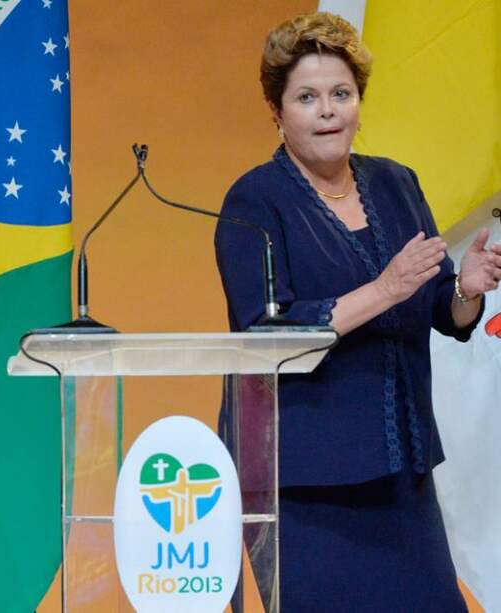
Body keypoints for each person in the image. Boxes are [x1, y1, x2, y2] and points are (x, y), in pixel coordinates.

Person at [214, 12, 501, 612]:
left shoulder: (398, 184)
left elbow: (439, 308)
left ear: (359, 103)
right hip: (306, 482)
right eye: (308, 97)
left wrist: (466, 290)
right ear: (277, 110)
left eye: (341, 94)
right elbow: (264, 335)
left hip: (403, 473)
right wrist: (385, 288)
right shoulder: (252, 201)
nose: (328, 111)